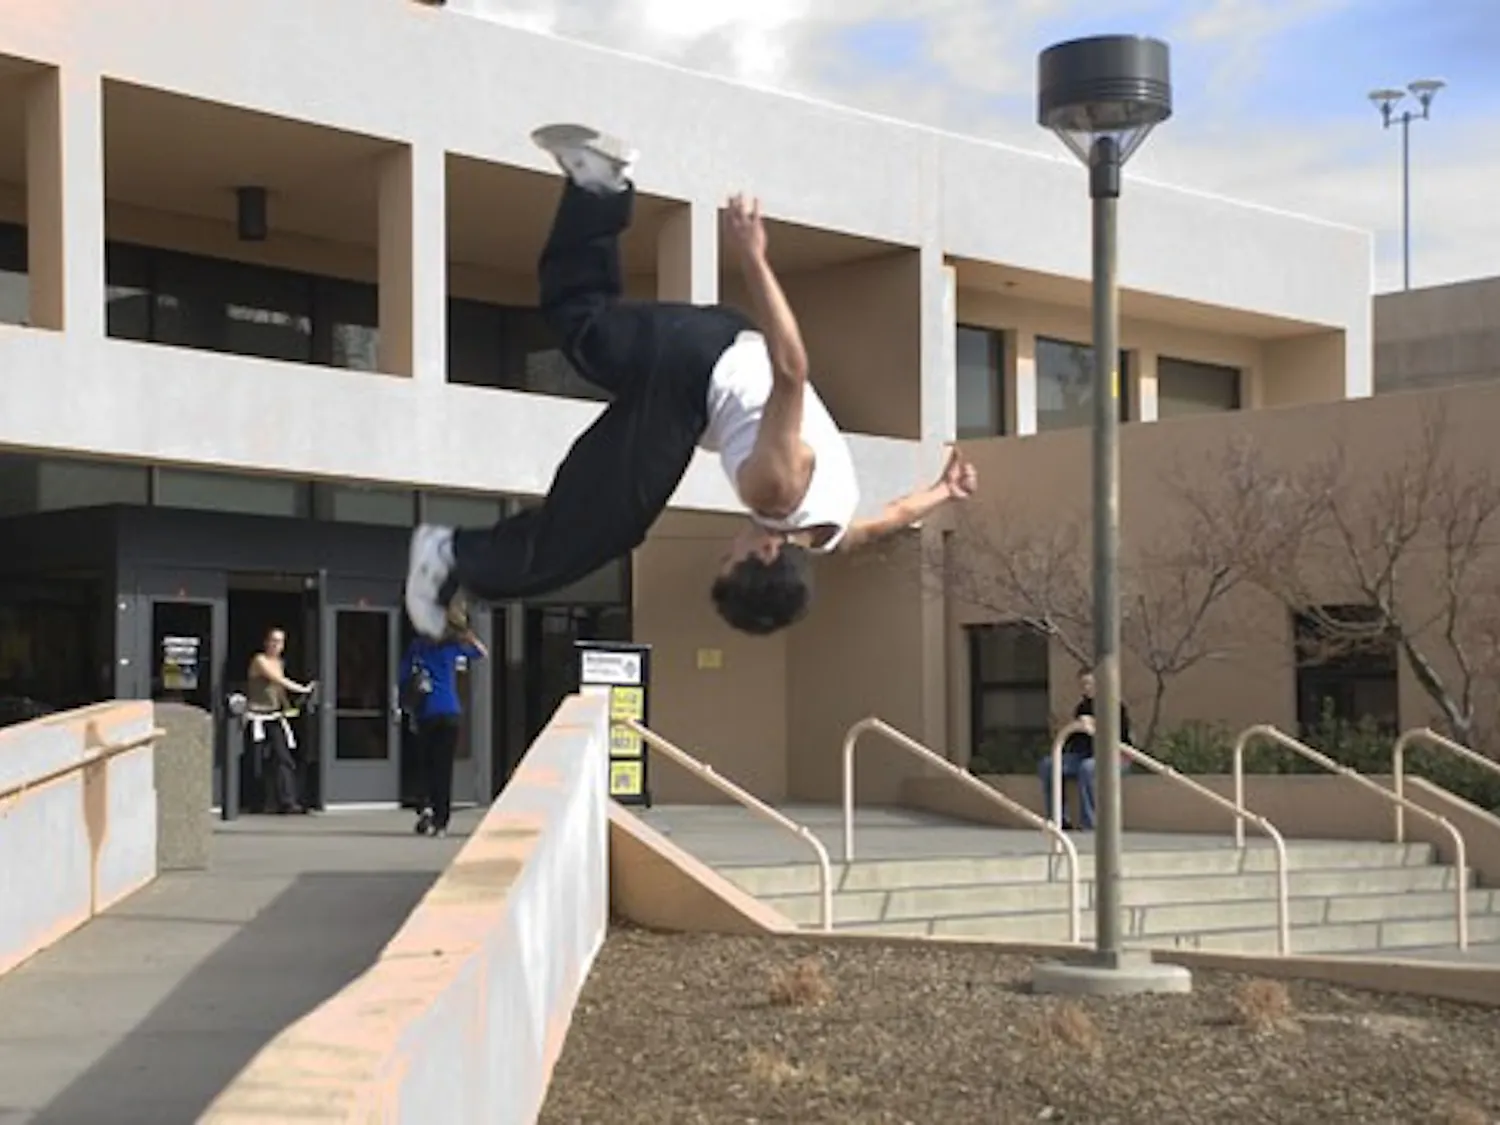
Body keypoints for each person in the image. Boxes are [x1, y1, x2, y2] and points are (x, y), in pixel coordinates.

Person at [405, 122, 979, 641]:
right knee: (603, 526)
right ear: (766, 552)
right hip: (691, 373)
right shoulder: (775, 492)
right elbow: (792, 371)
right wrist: (754, 258)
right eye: (731, 558)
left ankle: (597, 186)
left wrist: (944, 492)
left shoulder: (830, 534)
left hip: (710, 335)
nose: (728, 546)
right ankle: (449, 555)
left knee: (584, 326)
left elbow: (891, 518)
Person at [400, 604, 488, 837]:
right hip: (450, 711)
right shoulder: (451, 648)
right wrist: (467, 634)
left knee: (425, 764)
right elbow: (481, 652)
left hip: (426, 712)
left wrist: (406, 700)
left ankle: (426, 808)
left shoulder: (418, 647)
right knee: (443, 768)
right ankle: (441, 821)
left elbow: (404, 676)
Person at [1038, 668, 1133, 831]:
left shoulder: (1114, 706)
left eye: (1089, 684)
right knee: (1049, 765)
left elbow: (1118, 736)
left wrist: (1095, 725)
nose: (1086, 688)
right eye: (1083, 685)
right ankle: (1058, 819)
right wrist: (1065, 728)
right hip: (1085, 753)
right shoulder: (1082, 708)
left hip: (1114, 756)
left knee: (1087, 768)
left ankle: (1090, 822)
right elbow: (1076, 741)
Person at [246, 627, 316, 815]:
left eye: (280, 642)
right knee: (257, 762)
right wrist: (302, 689)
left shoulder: (279, 663)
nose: (277, 645)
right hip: (257, 716)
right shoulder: (259, 660)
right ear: (266, 642)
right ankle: (256, 802)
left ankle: (288, 801)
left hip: (275, 716)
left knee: (283, 758)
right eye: (274, 641)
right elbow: (277, 679)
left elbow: (279, 689)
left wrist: (287, 707)